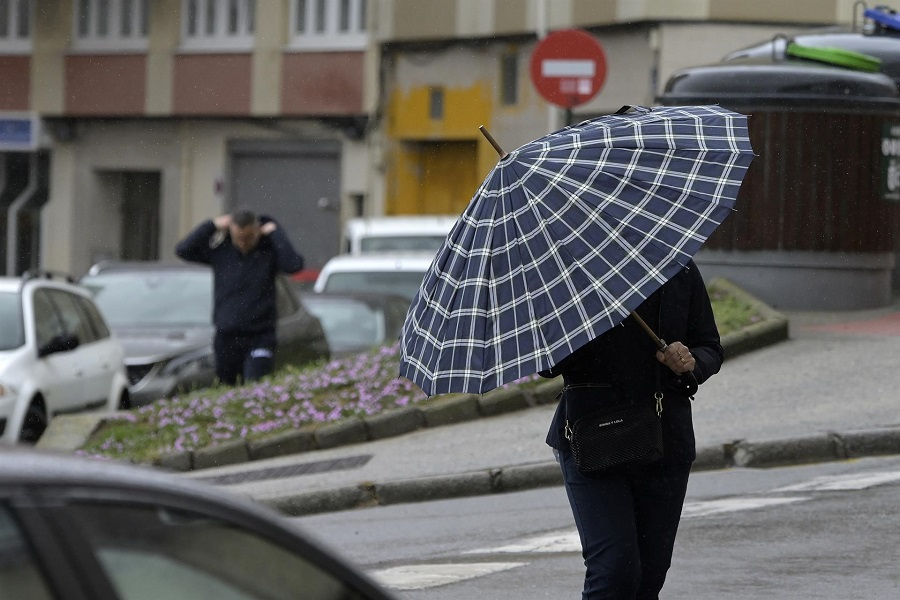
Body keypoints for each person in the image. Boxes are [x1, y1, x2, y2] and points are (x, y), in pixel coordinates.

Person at [540, 259, 723, 600]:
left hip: (665, 439)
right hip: (592, 441)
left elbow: (710, 346)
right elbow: (548, 363)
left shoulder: (677, 266)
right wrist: (585, 317)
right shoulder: (568, 274)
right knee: (614, 572)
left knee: (649, 578)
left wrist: (691, 361)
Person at [175, 209, 305, 385]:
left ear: (258, 231)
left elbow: (294, 265)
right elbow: (183, 250)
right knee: (228, 387)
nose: (243, 243)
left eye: (249, 238)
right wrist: (211, 225)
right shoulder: (221, 252)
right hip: (226, 336)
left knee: (255, 383)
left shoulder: (268, 252)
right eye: (238, 238)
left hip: (260, 335)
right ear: (231, 232)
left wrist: (275, 232)